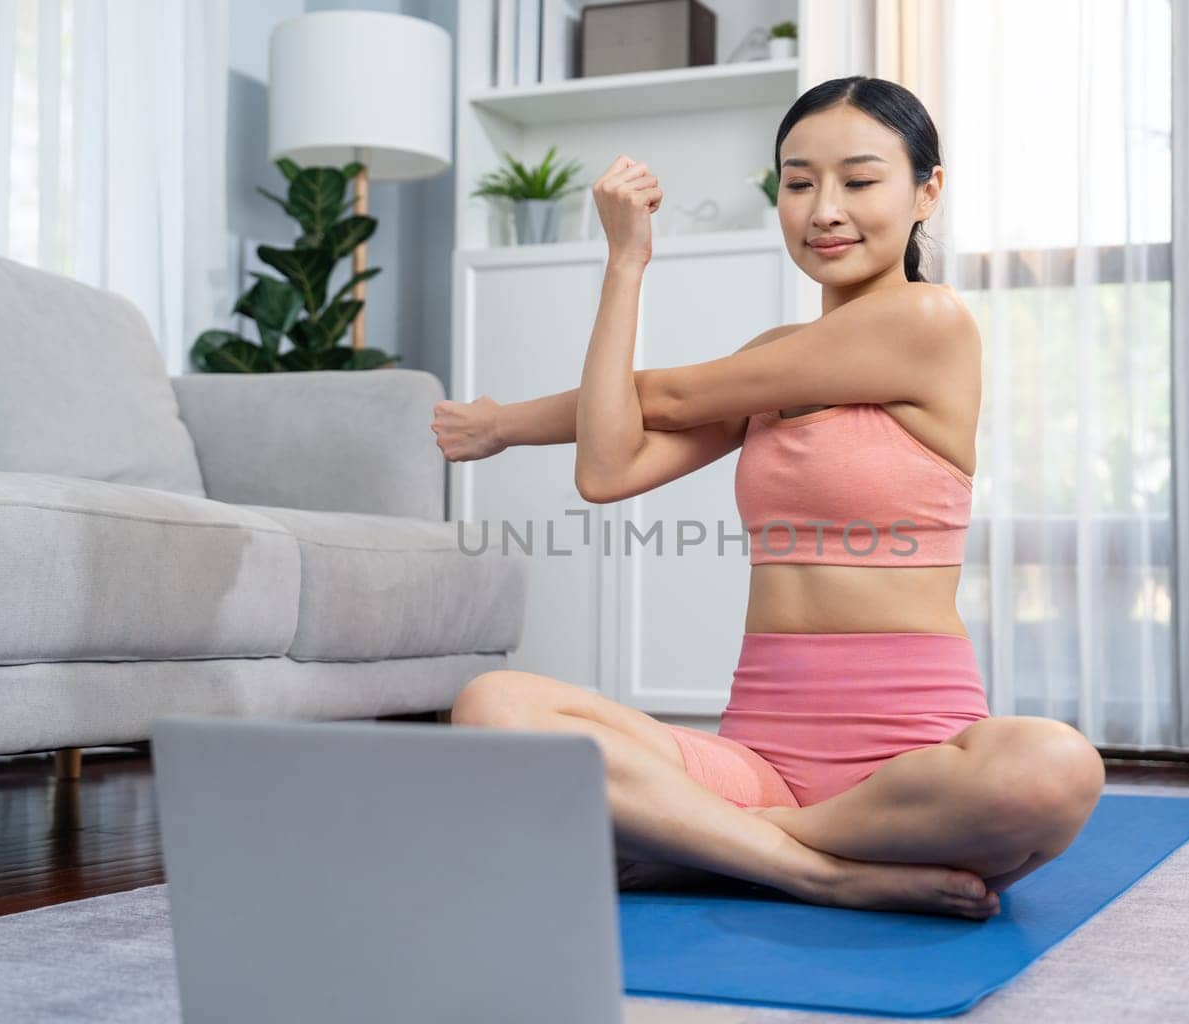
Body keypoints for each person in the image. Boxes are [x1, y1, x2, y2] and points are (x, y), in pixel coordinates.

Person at [430, 77, 1104, 919]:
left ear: (927, 190)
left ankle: (709, 840)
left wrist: (503, 422)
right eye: (798, 183)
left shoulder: (930, 322)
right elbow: (608, 466)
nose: (825, 209)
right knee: (492, 706)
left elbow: (666, 397)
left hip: (909, 773)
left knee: (1054, 767)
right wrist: (625, 263)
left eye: (859, 182)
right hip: (760, 756)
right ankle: (813, 868)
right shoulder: (776, 357)